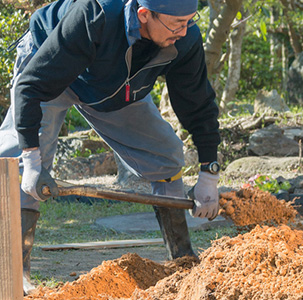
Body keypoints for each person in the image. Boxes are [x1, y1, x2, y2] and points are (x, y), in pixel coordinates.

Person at [0, 0, 221, 294]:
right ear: (144, 15)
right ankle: (16, 272)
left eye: (190, 21)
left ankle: (181, 260)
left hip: (111, 87)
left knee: (165, 153)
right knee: (14, 162)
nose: (185, 30)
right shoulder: (96, 15)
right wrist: (30, 158)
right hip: (48, 68)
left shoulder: (183, 37)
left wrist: (209, 171)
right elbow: (31, 86)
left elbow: (198, 104)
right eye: (177, 24)